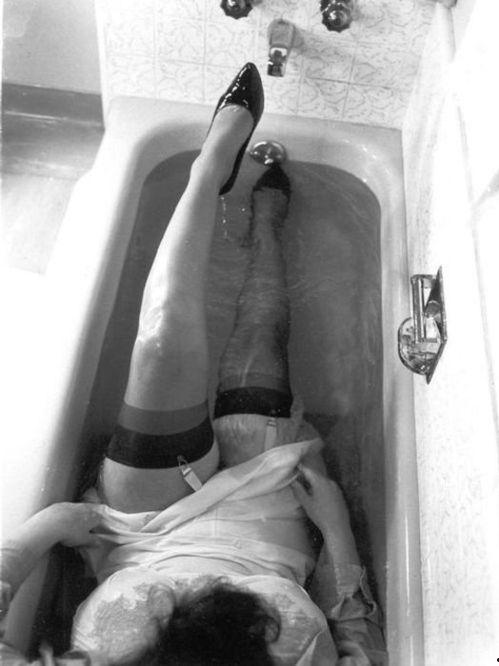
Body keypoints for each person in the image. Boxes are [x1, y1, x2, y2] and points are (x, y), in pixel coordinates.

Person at [0, 63, 387, 665]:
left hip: (144, 527)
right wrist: (337, 530)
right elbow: (360, 647)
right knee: (261, 333)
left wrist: (46, 526)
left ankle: (208, 170)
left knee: (159, 347)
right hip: (268, 529)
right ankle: (266, 224)